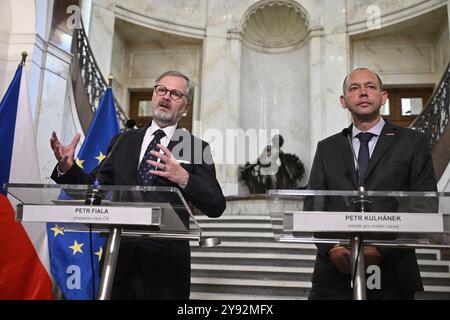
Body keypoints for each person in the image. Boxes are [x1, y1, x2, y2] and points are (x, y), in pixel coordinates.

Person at [50, 70, 226, 299]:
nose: (166, 97)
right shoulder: (124, 139)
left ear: (186, 107)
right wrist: (68, 168)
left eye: (176, 94)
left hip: (165, 268)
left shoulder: (194, 147)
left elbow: (216, 204)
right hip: (118, 262)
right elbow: (95, 186)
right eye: (161, 90)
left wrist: (183, 177)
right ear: (153, 95)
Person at [306, 67, 437, 300]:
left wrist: (381, 251)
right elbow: (313, 204)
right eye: (354, 88)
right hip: (333, 275)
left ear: (383, 97)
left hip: (392, 275)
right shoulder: (327, 148)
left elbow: (423, 206)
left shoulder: (413, 142)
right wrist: (333, 248)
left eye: (370, 87)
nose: (363, 93)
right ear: (343, 101)